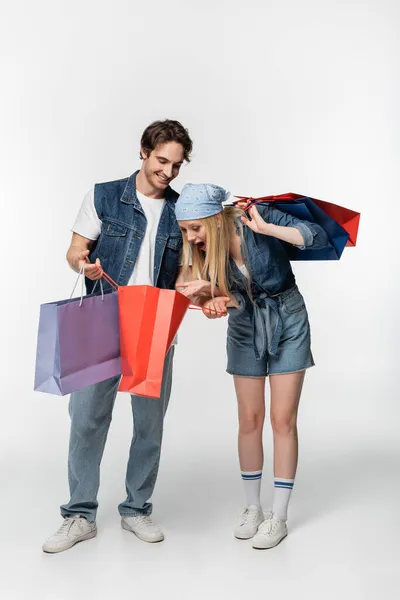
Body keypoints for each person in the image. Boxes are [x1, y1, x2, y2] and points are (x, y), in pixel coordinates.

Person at [43, 120, 193, 553]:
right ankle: (79, 515)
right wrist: (83, 265)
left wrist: (192, 292)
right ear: (143, 152)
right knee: (87, 419)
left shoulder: (182, 212)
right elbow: (75, 251)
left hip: (155, 324)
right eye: (162, 160)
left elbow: (185, 271)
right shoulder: (104, 195)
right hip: (102, 319)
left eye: (177, 165)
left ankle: (136, 509)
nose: (168, 171)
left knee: (149, 424)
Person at [175, 183, 331, 549]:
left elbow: (317, 236)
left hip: (288, 320)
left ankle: (279, 516)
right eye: (185, 230)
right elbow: (227, 301)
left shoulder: (255, 216)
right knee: (249, 419)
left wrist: (269, 229)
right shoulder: (198, 252)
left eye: (195, 228)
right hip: (245, 327)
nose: (191, 236)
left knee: (282, 420)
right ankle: (252, 508)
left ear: (216, 218)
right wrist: (212, 298)